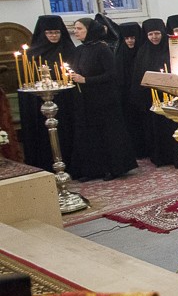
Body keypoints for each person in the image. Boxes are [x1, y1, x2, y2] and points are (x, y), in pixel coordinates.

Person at [63, 18, 138, 181]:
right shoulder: (79, 49)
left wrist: (86, 80)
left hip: (104, 100)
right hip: (86, 100)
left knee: (107, 135)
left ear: (90, 30)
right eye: (75, 29)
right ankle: (92, 170)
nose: (75, 32)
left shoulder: (102, 49)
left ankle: (112, 168)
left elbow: (112, 74)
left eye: (79, 29)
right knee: (90, 135)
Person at [18, 15, 77, 172]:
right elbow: (28, 80)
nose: (54, 36)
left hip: (65, 100)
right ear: (43, 33)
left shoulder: (69, 49)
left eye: (57, 32)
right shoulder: (32, 53)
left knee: (66, 132)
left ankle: (71, 164)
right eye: (50, 33)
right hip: (41, 101)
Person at [128, 18, 178, 168]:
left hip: (170, 94)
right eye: (150, 34)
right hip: (151, 96)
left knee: (171, 126)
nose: (154, 37)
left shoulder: (172, 48)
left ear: (163, 32)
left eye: (157, 33)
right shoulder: (143, 51)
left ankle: (174, 155)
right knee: (155, 127)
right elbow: (138, 75)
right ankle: (160, 156)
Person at [113, 22, 145, 157]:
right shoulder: (120, 53)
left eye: (133, 38)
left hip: (142, 93)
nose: (130, 41)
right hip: (126, 94)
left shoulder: (143, 52)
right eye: (127, 38)